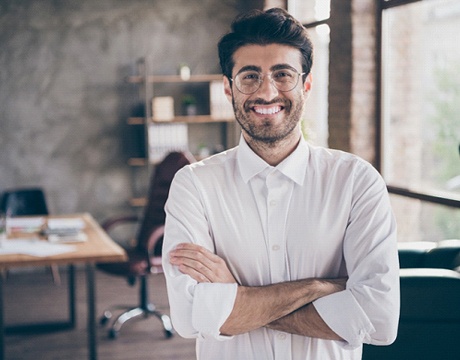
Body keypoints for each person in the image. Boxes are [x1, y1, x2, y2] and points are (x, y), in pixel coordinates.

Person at [162, 8, 399, 360]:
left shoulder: (357, 181)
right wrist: (320, 288)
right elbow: (189, 316)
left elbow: (379, 319)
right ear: (229, 88)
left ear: (305, 84)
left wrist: (237, 297)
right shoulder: (193, 185)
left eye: (283, 74)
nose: (267, 92)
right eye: (250, 76)